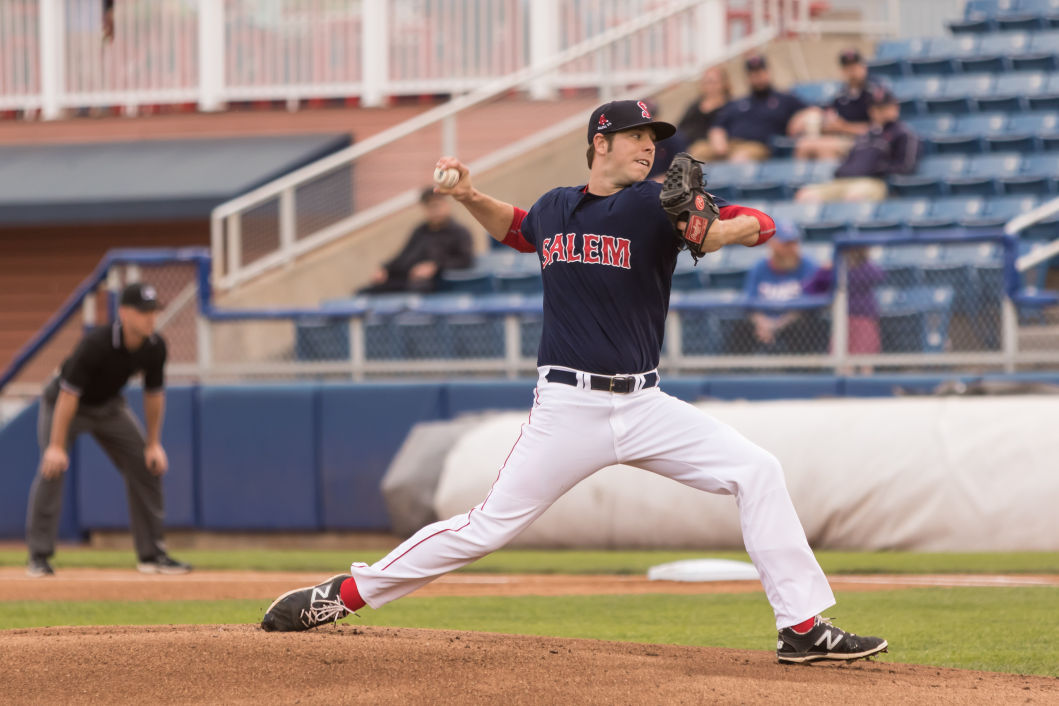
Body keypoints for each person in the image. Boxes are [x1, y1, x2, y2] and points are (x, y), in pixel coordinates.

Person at [261, 100, 887, 666]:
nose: (649, 148)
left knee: (758, 471)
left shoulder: (651, 205)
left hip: (645, 404)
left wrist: (740, 228)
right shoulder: (558, 205)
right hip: (567, 408)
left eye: (654, 138)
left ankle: (801, 626)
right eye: (636, 136)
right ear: (599, 143)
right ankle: (342, 595)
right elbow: (518, 229)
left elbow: (734, 223)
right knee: (486, 528)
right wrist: (469, 195)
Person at [25, 283, 191, 577]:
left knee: (146, 464)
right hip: (65, 404)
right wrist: (56, 446)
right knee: (52, 467)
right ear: (124, 313)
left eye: (153, 311)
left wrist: (153, 443)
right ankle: (38, 556)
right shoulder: (97, 343)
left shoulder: (155, 346)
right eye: (143, 312)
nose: (150, 318)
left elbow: (154, 395)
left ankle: (152, 555)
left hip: (109, 407)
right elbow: (68, 394)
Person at [795, 86, 920, 203]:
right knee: (805, 195)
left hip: (873, 182)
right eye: (877, 108)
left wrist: (879, 168)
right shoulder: (867, 134)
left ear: (895, 108)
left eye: (885, 107)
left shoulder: (903, 133)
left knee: (853, 199)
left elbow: (906, 166)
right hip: (844, 180)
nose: (880, 112)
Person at [730, 221, 826, 354]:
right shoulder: (759, 268)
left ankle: (805, 372)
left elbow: (805, 307)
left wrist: (776, 326)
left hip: (792, 324)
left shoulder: (808, 266)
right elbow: (749, 303)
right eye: (787, 244)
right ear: (773, 244)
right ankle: (738, 372)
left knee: (804, 327)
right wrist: (762, 323)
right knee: (740, 327)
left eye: (795, 242)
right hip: (763, 324)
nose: (792, 248)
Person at [360, 187, 474, 293]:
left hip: (437, 283)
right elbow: (404, 255)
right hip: (406, 278)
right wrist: (385, 269)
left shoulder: (459, 232)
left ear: (446, 205)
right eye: (430, 206)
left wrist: (435, 267)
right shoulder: (420, 231)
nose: (435, 210)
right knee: (365, 291)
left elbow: (465, 260)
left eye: (437, 205)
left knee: (418, 288)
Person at [707, 54, 812, 162]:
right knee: (695, 155)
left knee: (740, 158)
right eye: (753, 74)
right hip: (730, 145)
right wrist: (718, 140)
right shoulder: (737, 103)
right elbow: (718, 126)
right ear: (747, 77)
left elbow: (812, 111)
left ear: (768, 72)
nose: (757, 77)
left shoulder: (784, 99)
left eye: (760, 72)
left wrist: (800, 118)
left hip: (760, 147)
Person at [803, 246, 886, 373]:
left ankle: (865, 389)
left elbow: (879, 276)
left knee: (865, 361)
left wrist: (853, 266)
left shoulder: (866, 268)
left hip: (864, 320)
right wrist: (826, 270)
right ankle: (844, 390)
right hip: (842, 320)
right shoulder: (835, 268)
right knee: (842, 361)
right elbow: (810, 288)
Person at [795, 48, 879, 161]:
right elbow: (831, 120)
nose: (851, 71)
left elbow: (878, 129)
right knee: (804, 144)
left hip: (867, 142)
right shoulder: (840, 97)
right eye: (847, 68)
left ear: (863, 67)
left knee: (823, 149)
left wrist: (843, 127)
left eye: (855, 66)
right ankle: (802, 177)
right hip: (841, 139)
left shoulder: (874, 94)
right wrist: (826, 126)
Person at [676, 65, 732, 161]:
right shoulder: (694, 106)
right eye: (706, 82)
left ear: (724, 84)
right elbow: (681, 128)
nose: (710, 86)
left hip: (715, 148)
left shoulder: (730, 106)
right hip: (690, 146)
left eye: (713, 82)